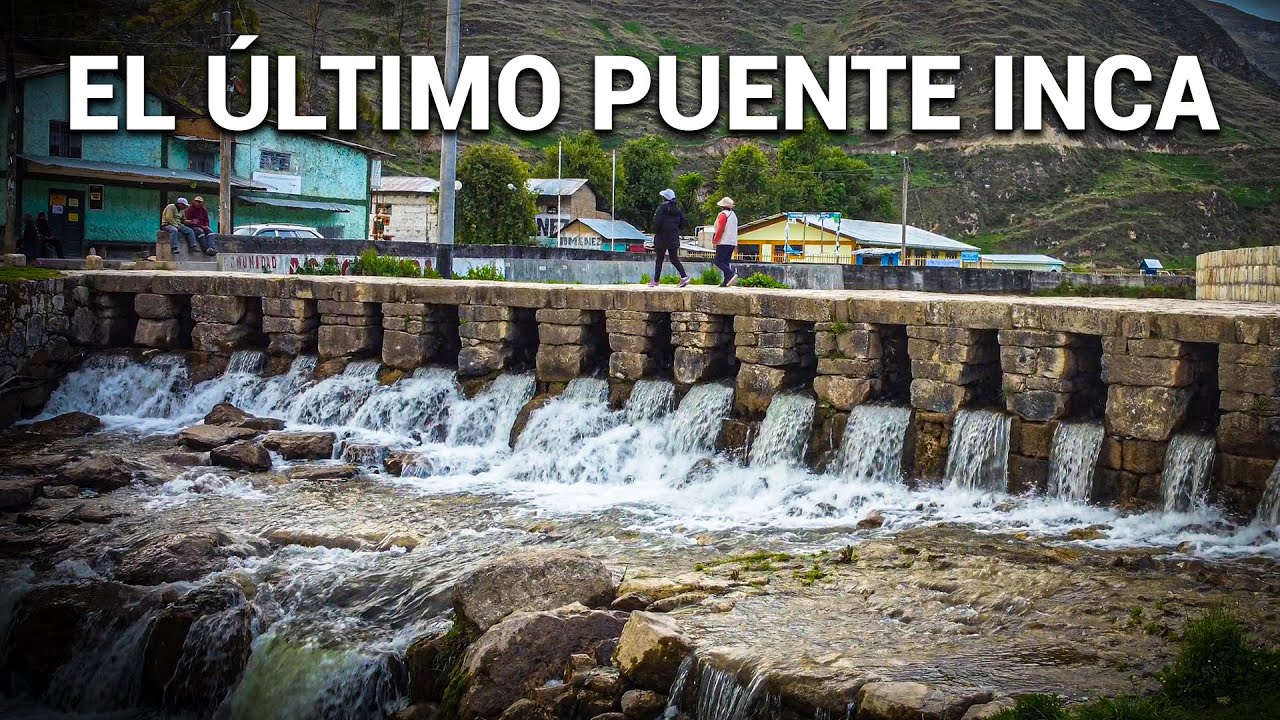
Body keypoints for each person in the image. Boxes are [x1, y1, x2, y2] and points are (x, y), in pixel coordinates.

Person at [650, 188, 689, 288]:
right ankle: (684, 276)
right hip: (673, 237)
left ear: (664, 198)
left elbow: (657, 223)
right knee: (674, 258)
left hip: (661, 237)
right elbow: (683, 223)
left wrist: (655, 230)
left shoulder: (661, 208)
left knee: (659, 259)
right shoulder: (678, 210)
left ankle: (655, 280)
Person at [711, 196, 739, 287]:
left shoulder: (723, 214)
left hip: (724, 241)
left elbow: (720, 229)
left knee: (718, 261)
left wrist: (715, 240)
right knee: (725, 261)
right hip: (732, 242)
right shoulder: (733, 215)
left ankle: (730, 274)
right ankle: (726, 280)